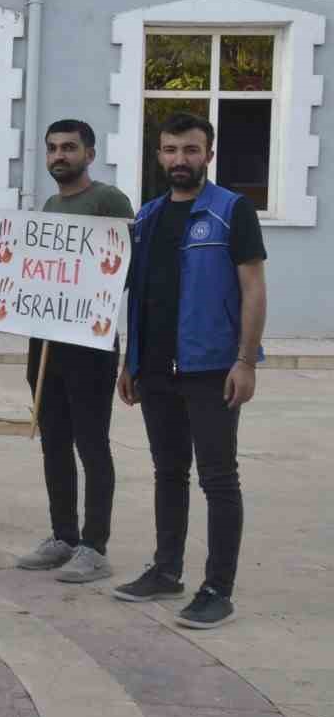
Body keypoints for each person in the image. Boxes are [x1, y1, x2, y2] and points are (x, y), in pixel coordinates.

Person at [113, 111, 266, 629]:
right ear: (159, 154)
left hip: (211, 367)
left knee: (219, 479)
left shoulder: (232, 210)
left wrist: (246, 360)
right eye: (172, 150)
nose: (181, 160)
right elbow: (142, 295)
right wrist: (131, 361)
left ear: (209, 154)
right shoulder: (149, 216)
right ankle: (166, 570)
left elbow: (252, 288)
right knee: (168, 473)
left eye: (191, 150)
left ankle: (217, 588)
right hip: (155, 369)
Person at [14, 121, 134, 582]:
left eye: (69, 147)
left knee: (91, 443)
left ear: (89, 152)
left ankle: (94, 545)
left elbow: (123, 268)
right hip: (46, 341)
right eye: (52, 149)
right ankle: (62, 536)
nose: (59, 156)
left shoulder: (109, 201)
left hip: (91, 341)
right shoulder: (48, 205)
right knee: (55, 443)